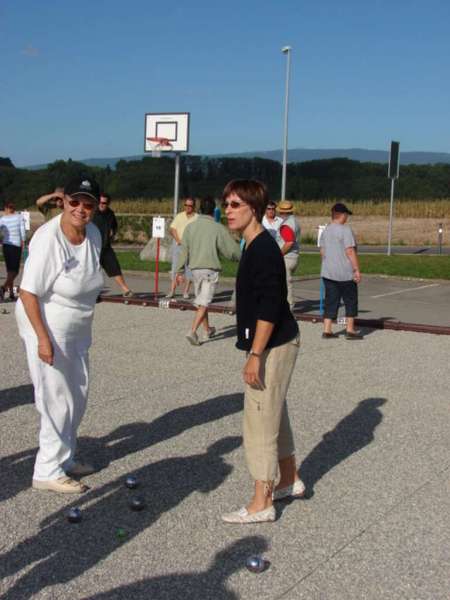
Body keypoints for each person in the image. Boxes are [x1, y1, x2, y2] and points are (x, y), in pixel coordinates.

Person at [221, 179, 304, 524]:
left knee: (258, 422)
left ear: (253, 209)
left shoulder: (264, 250)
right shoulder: (254, 245)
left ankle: (261, 502)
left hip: (272, 346)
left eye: (235, 204)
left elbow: (271, 306)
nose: (228, 210)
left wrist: (255, 355)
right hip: (271, 342)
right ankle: (289, 479)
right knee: (275, 414)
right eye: (226, 204)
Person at [15, 175, 104, 494]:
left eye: (88, 203)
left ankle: (64, 459)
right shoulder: (49, 238)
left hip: (77, 328)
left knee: (77, 396)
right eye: (75, 201)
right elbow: (27, 293)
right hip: (45, 325)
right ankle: (46, 471)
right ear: (63, 201)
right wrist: (42, 338)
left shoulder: (93, 233)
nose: (81, 209)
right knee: (55, 398)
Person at [176, 196, 240, 346]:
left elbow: (184, 251)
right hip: (210, 269)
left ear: (199, 210)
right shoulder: (218, 228)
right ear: (213, 211)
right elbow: (231, 251)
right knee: (204, 302)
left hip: (195, 270)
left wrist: (179, 271)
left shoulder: (190, 227)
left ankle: (208, 329)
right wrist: (242, 256)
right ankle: (192, 331)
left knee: (202, 302)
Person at [319, 202, 363, 340]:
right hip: (345, 273)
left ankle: (327, 330)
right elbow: (350, 250)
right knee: (350, 300)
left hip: (328, 272)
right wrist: (356, 269)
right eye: (346, 215)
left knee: (331, 301)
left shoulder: (326, 230)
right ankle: (350, 330)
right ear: (342, 215)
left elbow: (322, 251)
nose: (347, 218)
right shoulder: (346, 230)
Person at [91, 193, 133, 297]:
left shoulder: (110, 214)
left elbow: (114, 226)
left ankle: (125, 289)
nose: (101, 204)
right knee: (92, 271)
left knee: (114, 267)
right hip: (92, 247)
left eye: (104, 203)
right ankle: (92, 292)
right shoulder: (91, 213)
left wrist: (112, 233)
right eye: (99, 202)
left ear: (108, 203)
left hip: (105, 246)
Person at [166, 197, 198, 299]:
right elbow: (172, 229)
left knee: (189, 269)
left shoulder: (197, 217)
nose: (188, 207)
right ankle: (172, 291)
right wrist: (179, 240)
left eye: (190, 206)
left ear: (194, 207)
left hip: (191, 247)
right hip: (178, 245)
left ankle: (186, 292)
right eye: (186, 205)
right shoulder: (179, 216)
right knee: (175, 268)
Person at [276, 200, 300, 309]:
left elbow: (289, 242)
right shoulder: (294, 221)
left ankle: (289, 307)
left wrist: (278, 254)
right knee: (284, 283)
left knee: (285, 284)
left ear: (282, 212)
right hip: (293, 257)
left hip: (287, 257)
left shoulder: (286, 225)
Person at [0, 202, 26, 300]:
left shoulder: (2, 219)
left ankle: (11, 293)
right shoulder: (19, 217)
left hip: (6, 246)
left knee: (10, 271)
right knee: (14, 271)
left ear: (6, 208)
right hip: (16, 246)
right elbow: (22, 230)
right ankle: (3, 288)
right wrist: (23, 241)